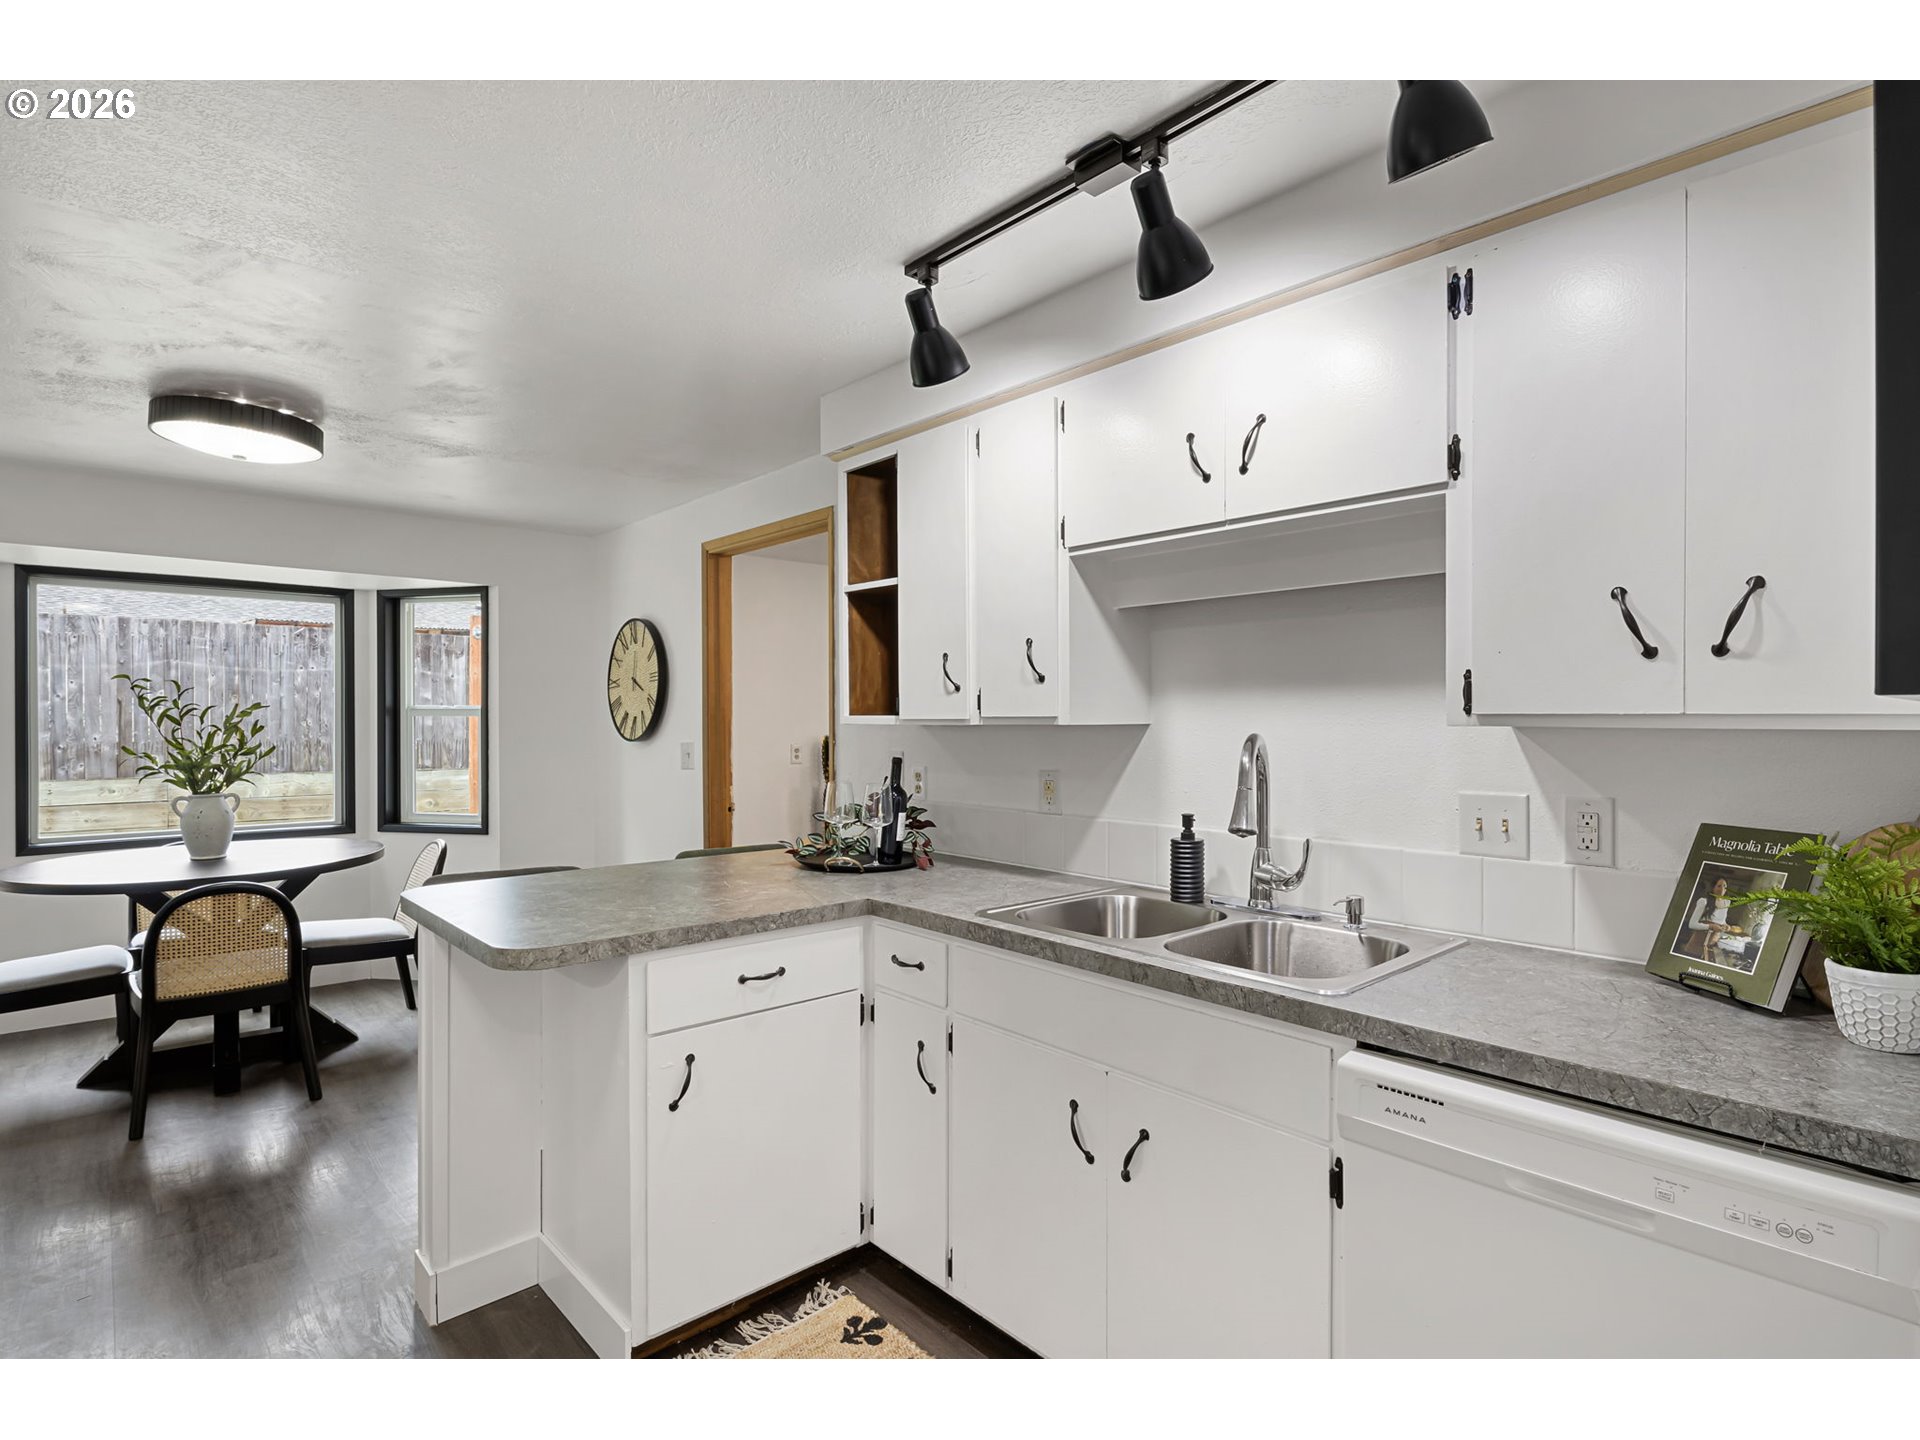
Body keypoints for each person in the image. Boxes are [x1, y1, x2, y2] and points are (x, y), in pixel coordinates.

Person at [1681, 876, 1742, 961]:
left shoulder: (1726, 902)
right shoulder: (1703, 901)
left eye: (1725, 886)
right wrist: (1711, 926)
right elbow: (1692, 924)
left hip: (1711, 947)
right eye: (1719, 886)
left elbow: (1721, 920)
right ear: (1713, 887)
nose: (1722, 889)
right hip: (1696, 947)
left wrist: (1726, 926)